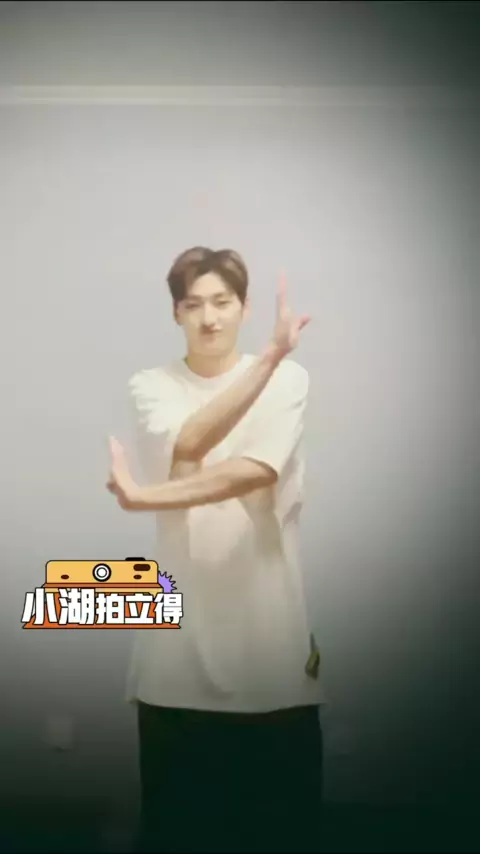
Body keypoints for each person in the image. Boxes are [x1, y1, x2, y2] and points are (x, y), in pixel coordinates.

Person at [107, 247, 326, 853]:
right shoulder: (151, 385)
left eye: (222, 303)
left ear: (244, 308)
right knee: (179, 835)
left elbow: (255, 470)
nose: (209, 318)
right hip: (176, 666)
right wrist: (272, 359)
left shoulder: (289, 378)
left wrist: (143, 498)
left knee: (283, 836)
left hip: (273, 655)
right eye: (193, 305)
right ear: (176, 313)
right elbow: (189, 440)